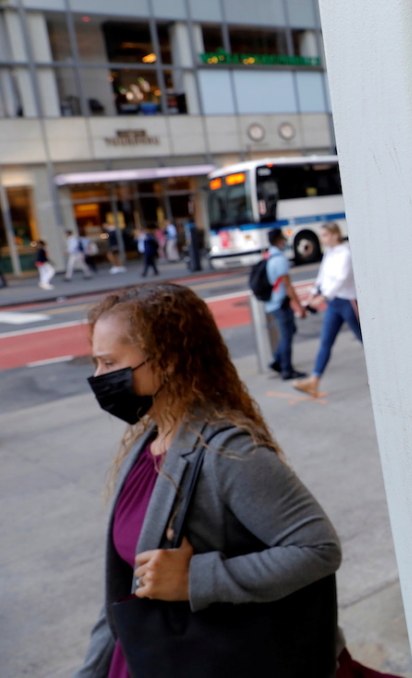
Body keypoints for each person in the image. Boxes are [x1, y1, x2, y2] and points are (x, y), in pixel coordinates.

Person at [75, 282, 342, 677]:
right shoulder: (149, 443)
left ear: (166, 361)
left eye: (109, 363)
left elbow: (318, 549)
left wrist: (195, 579)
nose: (98, 378)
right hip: (143, 658)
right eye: (96, 364)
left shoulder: (228, 451)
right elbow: (121, 591)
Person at [294, 223, 362, 398]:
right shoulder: (329, 253)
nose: (321, 239)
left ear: (335, 235)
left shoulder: (345, 253)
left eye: (324, 235)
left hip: (347, 301)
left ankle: (383, 371)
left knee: (364, 340)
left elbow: (341, 279)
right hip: (333, 303)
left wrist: (323, 297)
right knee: (326, 341)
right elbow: (322, 276)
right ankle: (314, 381)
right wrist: (312, 294)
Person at [264, 228, 308, 380]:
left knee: (290, 331)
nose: (285, 240)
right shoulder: (279, 260)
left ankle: (277, 360)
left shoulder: (268, 255)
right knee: (287, 336)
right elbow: (288, 286)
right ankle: (286, 369)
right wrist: (300, 307)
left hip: (271, 302)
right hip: (280, 303)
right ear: (279, 239)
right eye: (283, 237)